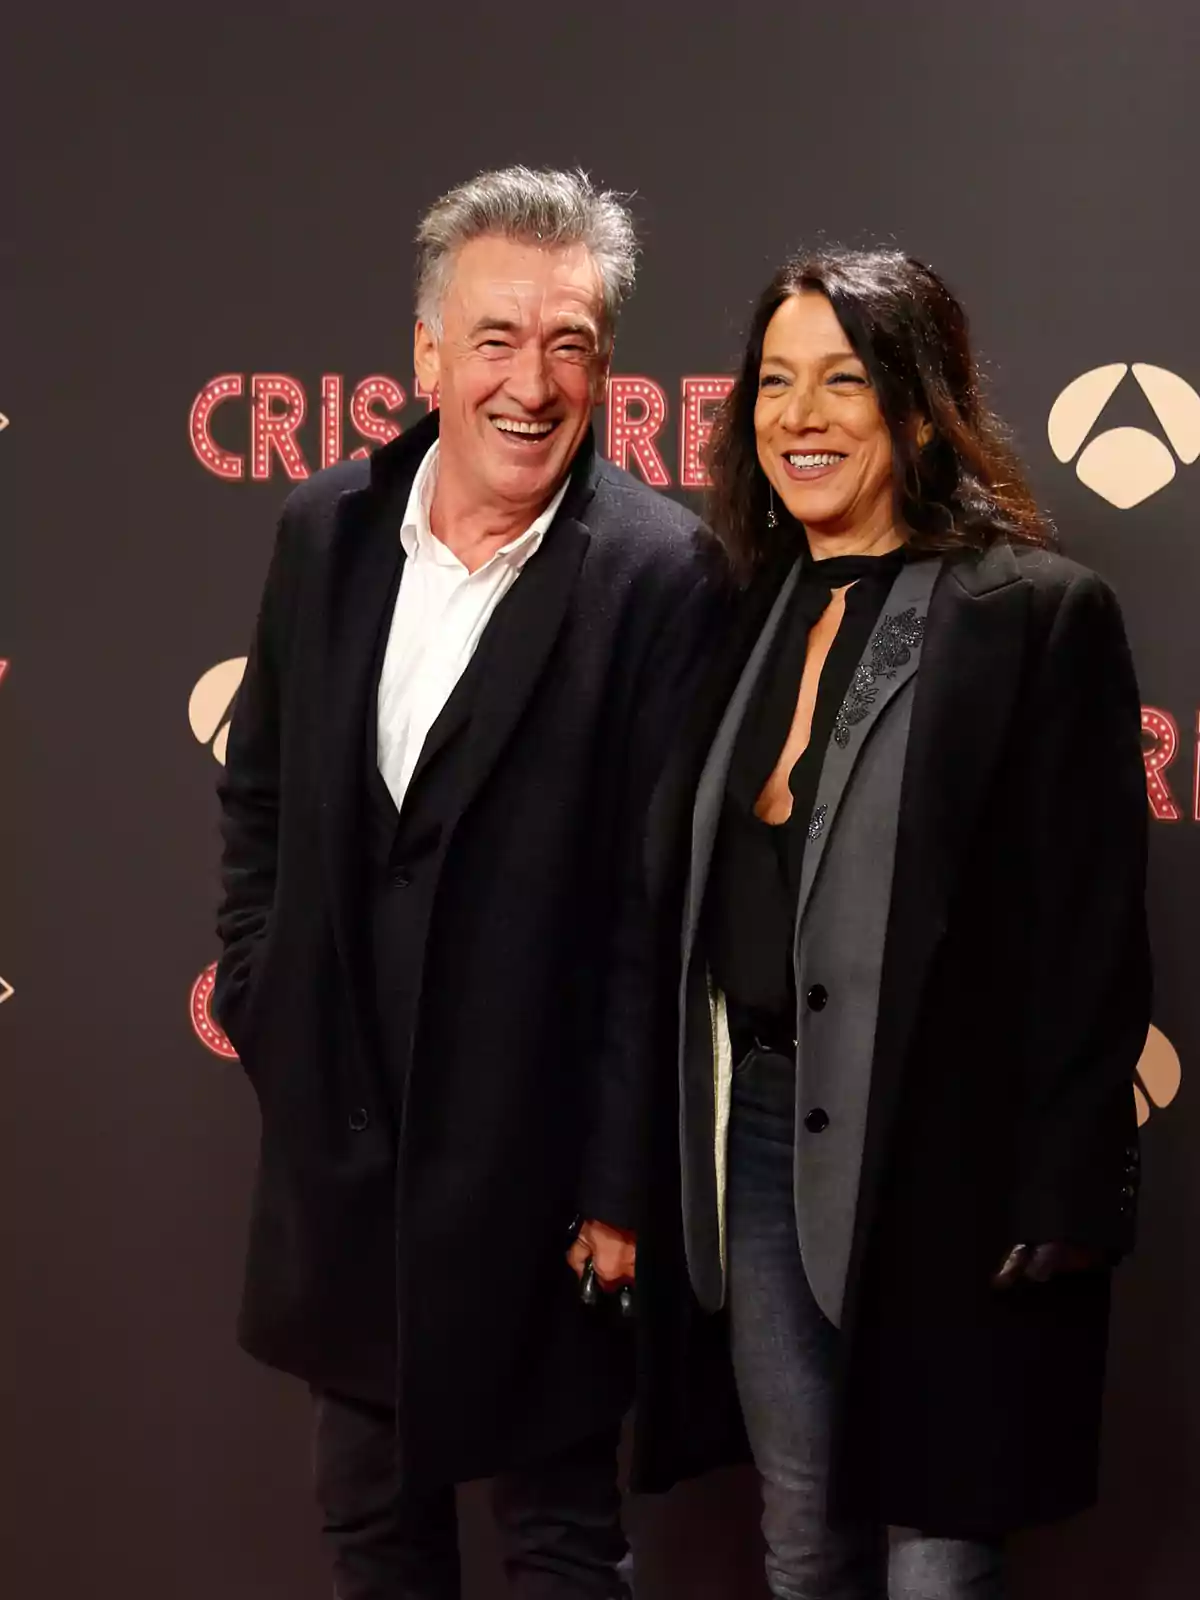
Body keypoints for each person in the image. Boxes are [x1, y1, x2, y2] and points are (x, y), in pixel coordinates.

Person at [212, 165, 717, 1600]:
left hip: (545, 1178)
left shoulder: (661, 575)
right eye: (496, 340)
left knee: (558, 1547)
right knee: (372, 1537)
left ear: (606, 367)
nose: (531, 383)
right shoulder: (326, 532)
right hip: (347, 1162)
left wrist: (621, 1185)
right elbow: (257, 797)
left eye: (569, 345)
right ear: (426, 354)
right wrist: (265, 999)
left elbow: (652, 911)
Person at [635, 249, 1151, 1599]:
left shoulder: (1035, 617)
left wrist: (1066, 1187)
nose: (799, 416)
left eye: (843, 382)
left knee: (938, 1556)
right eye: (774, 384)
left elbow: (1091, 931)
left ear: (918, 410)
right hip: (757, 1146)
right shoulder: (739, 610)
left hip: (951, 1160)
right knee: (801, 1542)